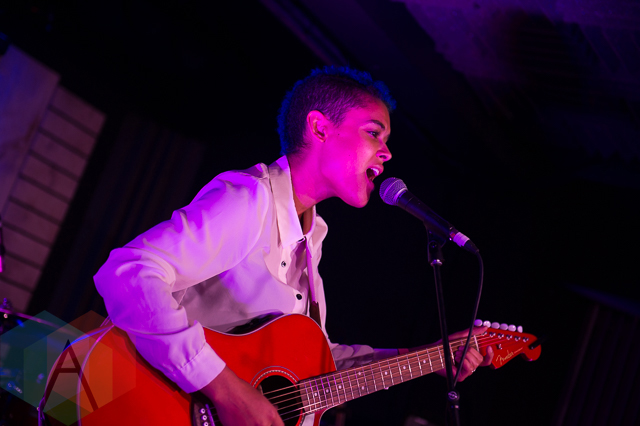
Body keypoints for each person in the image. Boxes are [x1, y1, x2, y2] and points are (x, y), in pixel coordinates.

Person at [94, 66, 493, 426]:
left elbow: (316, 367)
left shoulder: (311, 236)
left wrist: (427, 358)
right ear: (319, 128)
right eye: (374, 133)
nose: (387, 153)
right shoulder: (250, 199)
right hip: (118, 398)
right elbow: (127, 273)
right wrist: (227, 391)